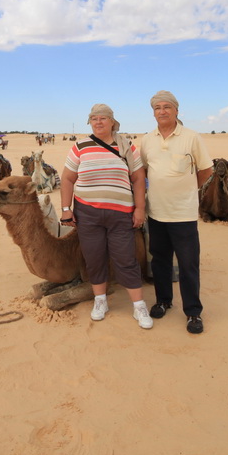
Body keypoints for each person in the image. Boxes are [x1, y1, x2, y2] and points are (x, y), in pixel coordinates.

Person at [60, 103, 152, 330]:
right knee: (94, 257)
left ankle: (139, 305)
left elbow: (138, 179)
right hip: (87, 213)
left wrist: (140, 209)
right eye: (94, 119)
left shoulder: (126, 146)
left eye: (103, 118)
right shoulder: (80, 147)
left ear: (112, 122)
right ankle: (100, 300)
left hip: (121, 213)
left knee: (126, 258)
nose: (98, 122)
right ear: (90, 122)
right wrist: (65, 209)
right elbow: (68, 179)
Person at [140, 90, 213, 334]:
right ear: (153, 113)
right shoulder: (147, 140)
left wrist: (188, 190)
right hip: (156, 213)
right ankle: (163, 301)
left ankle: (193, 312)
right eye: (157, 108)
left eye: (166, 107)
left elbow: (206, 170)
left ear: (176, 110)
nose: (162, 111)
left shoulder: (191, 137)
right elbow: (143, 171)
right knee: (160, 261)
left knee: (188, 264)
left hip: (183, 214)